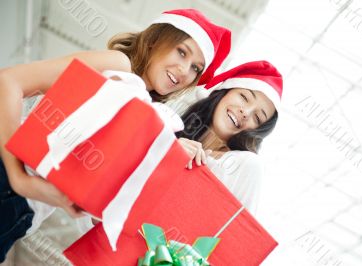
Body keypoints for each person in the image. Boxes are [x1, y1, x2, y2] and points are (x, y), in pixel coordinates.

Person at [0, 8, 231, 262]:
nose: (184, 70)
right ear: (155, 40)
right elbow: (9, 80)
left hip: (22, 215)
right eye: (182, 51)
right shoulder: (119, 65)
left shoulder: (144, 119)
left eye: (196, 68)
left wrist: (170, 155)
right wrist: (18, 177)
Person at [176, 60, 283, 213]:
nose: (245, 112)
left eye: (257, 117)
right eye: (244, 97)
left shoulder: (246, 165)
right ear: (224, 92)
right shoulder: (172, 128)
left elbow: (236, 230)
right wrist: (169, 153)